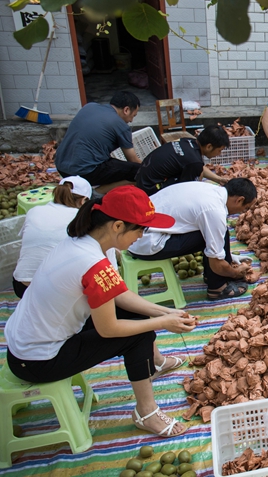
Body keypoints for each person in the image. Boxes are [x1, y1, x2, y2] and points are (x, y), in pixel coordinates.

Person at [4, 186, 195, 438]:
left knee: (139, 319)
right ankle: (146, 412)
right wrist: (161, 323)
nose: (142, 235)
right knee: (138, 334)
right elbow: (109, 329)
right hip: (39, 360)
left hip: (25, 345)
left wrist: (165, 312)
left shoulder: (81, 242)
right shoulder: (92, 263)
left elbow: (119, 295)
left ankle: (155, 363)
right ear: (117, 226)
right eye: (141, 229)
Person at [128, 178, 257, 299]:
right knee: (216, 232)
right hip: (143, 242)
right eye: (244, 208)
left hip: (134, 232)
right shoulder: (215, 210)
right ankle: (218, 288)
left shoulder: (210, 190)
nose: (242, 212)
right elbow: (216, 264)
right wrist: (235, 273)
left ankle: (212, 276)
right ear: (239, 200)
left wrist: (228, 257)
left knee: (216, 231)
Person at [12, 176, 94, 299]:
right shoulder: (82, 218)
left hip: (21, 286)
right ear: (83, 201)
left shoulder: (34, 211)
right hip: (56, 291)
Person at [55, 91, 142, 194]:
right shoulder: (121, 126)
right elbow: (132, 160)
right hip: (84, 171)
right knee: (138, 172)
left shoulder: (89, 107)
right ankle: (95, 194)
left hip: (61, 166)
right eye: (133, 116)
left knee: (116, 165)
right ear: (126, 110)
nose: (131, 120)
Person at [135, 124, 230, 195]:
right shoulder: (194, 161)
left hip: (142, 177)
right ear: (209, 146)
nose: (219, 154)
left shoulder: (188, 142)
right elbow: (187, 190)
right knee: (194, 188)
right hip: (149, 189)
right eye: (219, 150)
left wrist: (219, 179)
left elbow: (197, 166)